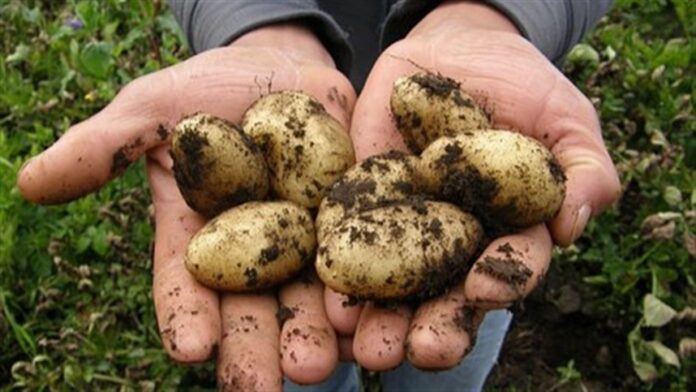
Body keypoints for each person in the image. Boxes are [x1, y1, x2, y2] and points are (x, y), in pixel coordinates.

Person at [17, 1, 621, 390]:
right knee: (306, 366)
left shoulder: (440, 171)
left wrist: (493, 14)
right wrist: (256, 18)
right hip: (288, 78)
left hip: (484, 108)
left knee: (450, 340)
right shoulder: (302, 199)